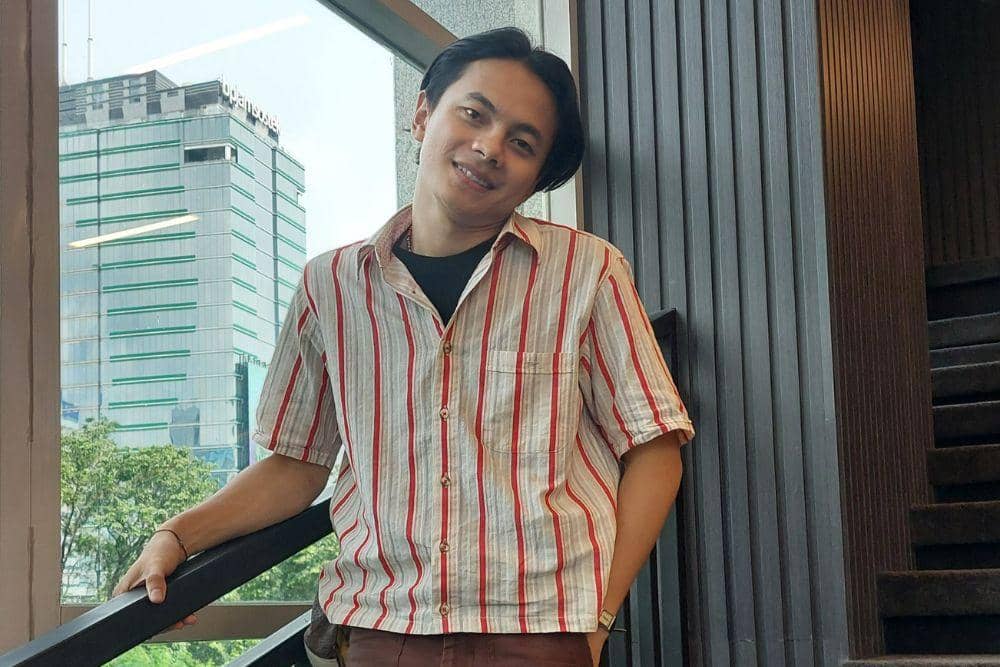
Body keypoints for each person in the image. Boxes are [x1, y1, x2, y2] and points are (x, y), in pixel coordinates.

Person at [113, 26, 694, 666]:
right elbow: (297, 465)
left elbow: (655, 448)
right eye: (474, 114)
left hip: (539, 630)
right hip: (381, 630)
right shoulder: (330, 286)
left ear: (536, 177)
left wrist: (598, 618)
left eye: (522, 143)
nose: (490, 147)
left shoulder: (586, 271)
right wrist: (179, 536)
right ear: (422, 115)